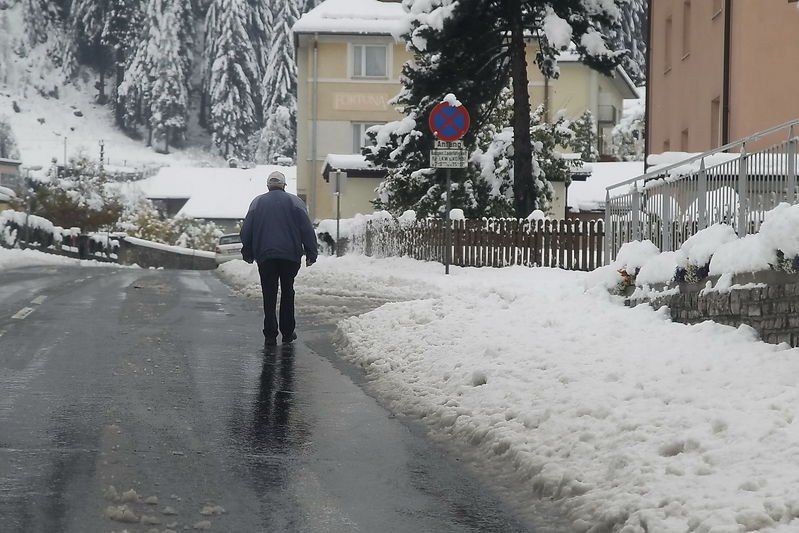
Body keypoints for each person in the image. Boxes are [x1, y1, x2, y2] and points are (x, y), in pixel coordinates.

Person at [240, 171, 318, 346]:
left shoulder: (257, 203)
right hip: (290, 256)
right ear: (284, 185)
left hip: (265, 255)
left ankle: (270, 333)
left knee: (269, 293)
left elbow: (247, 230)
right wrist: (311, 253)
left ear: (268, 186)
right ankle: (288, 332)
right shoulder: (295, 202)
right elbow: (307, 229)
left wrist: (248, 252)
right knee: (287, 291)